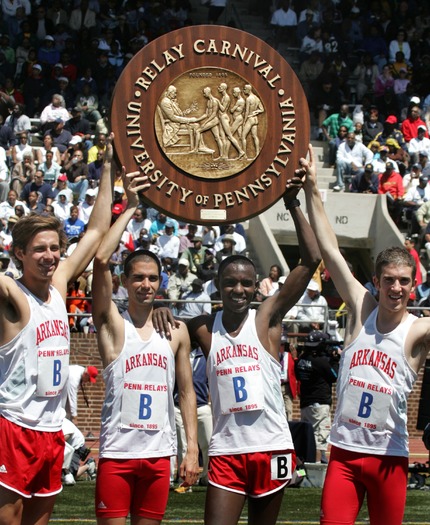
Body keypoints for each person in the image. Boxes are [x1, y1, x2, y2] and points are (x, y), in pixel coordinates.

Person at [156, 174, 321, 525]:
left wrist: (292, 202)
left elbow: (310, 260)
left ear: (255, 286)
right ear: (217, 286)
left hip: (272, 446)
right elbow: (167, 330)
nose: (239, 289)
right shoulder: (203, 326)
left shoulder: (267, 318)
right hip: (227, 449)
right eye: (230, 282)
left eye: (246, 283)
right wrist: (159, 308)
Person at [302, 143, 430, 525]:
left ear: (412, 286)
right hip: (343, 453)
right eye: (388, 280)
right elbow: (330, 248)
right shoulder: (361, 309)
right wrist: (311, 188)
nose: (395, 288)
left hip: (389, 457)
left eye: (403, 282)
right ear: (375, 281)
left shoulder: (417, 329)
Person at [0, 134, 115, 524]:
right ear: (19, 253)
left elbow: (97, 232)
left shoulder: (60, 285)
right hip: (13, 427)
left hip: (52, 431)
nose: (50, 256)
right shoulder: (10, 294)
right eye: (39, 249)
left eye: (54, 248)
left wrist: (108, 169)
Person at [91, 170, 199, 524]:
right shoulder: (112, 324)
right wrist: (131, 207)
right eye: (137, 277)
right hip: (117, 455)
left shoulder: (176, 331)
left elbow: (186, 393)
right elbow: (101, 260)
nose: (145, 284)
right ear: (125, 282)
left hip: (159, 456)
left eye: (152, 278)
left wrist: (191, 450)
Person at [295, 330, 339, 464]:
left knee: (307, 437)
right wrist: (335, 359)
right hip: (319, 405)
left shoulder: (301, 360)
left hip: (305, 404)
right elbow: (334, 376)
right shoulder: (319, 362)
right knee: (319, 438)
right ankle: (316, 470)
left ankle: (302, 471)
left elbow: (298, 375)